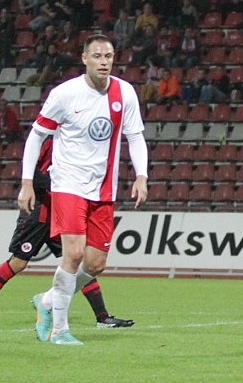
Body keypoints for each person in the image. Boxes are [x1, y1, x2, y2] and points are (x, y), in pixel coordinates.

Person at [20, 35, 148, 346]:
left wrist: (141, 176)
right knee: (74, 254)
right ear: (84, 59)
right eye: (97, 56)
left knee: (95, 264)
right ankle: (60, 330)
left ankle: (47, 300)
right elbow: (36, 136)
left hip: (103, 188)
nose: (104, 61)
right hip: (67, 182)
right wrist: (26, 182)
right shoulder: (65, 94)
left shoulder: (124, 93)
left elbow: (135, 137)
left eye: (109, 56)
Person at [0, 137, 134, 329]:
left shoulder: (72, 140)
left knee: (77, 261)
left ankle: (102, 317)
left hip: (59, 211)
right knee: (18, 262)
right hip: (39, 211)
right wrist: (59, 185)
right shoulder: (49, 138)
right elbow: (31, 172)